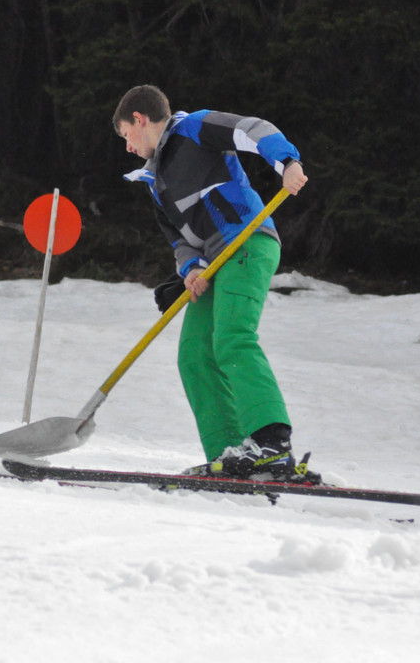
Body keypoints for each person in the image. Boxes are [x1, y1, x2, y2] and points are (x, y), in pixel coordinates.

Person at [112, 84, 316, 482]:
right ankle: (229, 454)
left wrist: (287, 162)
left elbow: (252, 129)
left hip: (246, 243)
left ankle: (272, 444)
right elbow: (179, 239)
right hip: (214, 265)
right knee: (194, 355)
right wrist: (190, 268)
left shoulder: (194, 128)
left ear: (139, 119)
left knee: (232, 338)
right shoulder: (154, 179)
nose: (128, 146)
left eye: (125, 134)